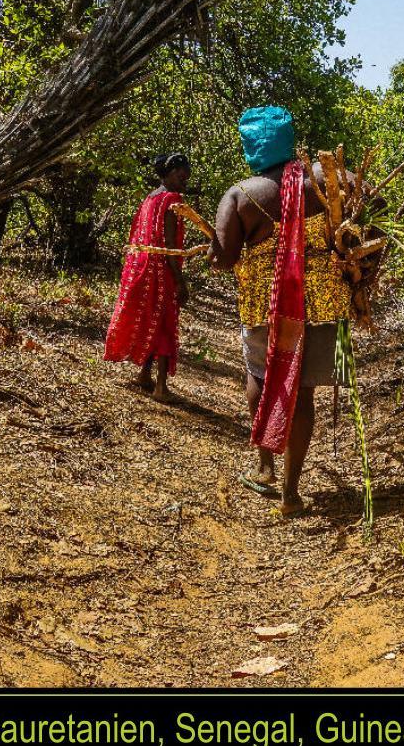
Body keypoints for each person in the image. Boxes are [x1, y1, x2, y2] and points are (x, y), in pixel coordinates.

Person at [208, 107, 353, 517]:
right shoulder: (326, 178)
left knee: (260, 375)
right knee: (302, 390)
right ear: (288, 140)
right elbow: (371, 199)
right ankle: (291, 491)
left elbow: (224, 258)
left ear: (251, 146)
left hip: (265, 306)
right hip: (323, 304)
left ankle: (265, 466)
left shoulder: (241, 194)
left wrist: (213, 252)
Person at [104, 153, 191, 402]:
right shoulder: (172, 200)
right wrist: (180, 281)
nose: (184, 181)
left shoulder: (150, 198)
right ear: (168, 173)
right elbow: (170, 245)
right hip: (161, 271)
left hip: (141, 269)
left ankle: (144, 375)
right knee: (164, 323)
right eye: (181, 176)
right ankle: (161, 387)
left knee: (152, 318)